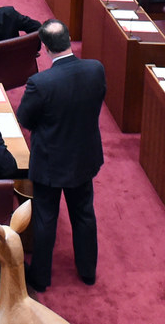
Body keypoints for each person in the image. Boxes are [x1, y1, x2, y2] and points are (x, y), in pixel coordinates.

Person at [18, 21, 104, 289]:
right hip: (83, 156)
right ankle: (88, 271)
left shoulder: (40, 82)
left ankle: (41, 278)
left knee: (46, 218)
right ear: (68, 40)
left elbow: (25, 119)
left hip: (50, 162)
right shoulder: (95, 69)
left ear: (44, 48)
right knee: (84, 214)